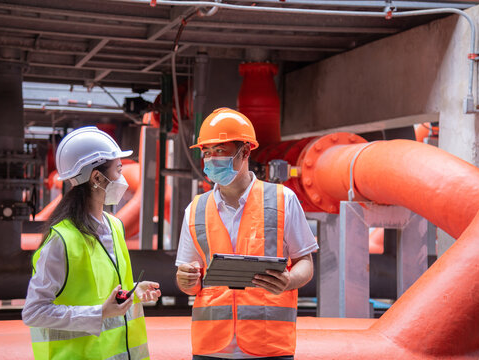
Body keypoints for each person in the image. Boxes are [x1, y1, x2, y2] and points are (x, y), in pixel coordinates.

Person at [176, 108, 318, 360]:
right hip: (211, 347)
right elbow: (189, 282)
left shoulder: (283, 199)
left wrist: (289, 280)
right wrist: (185, 281)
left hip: (269, 346)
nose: (211, 159)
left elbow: (305, 263)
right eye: (206, 153)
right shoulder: (195, 210)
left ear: (245, 151)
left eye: (220, 151)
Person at [23, 126, 161, 360]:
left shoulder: (114, 226)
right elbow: (34, 312)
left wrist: (132, 294)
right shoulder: (62, 241)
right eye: (118, 170)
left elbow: (101, 292)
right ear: (97, 178)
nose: (123, 178)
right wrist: (99, 313)